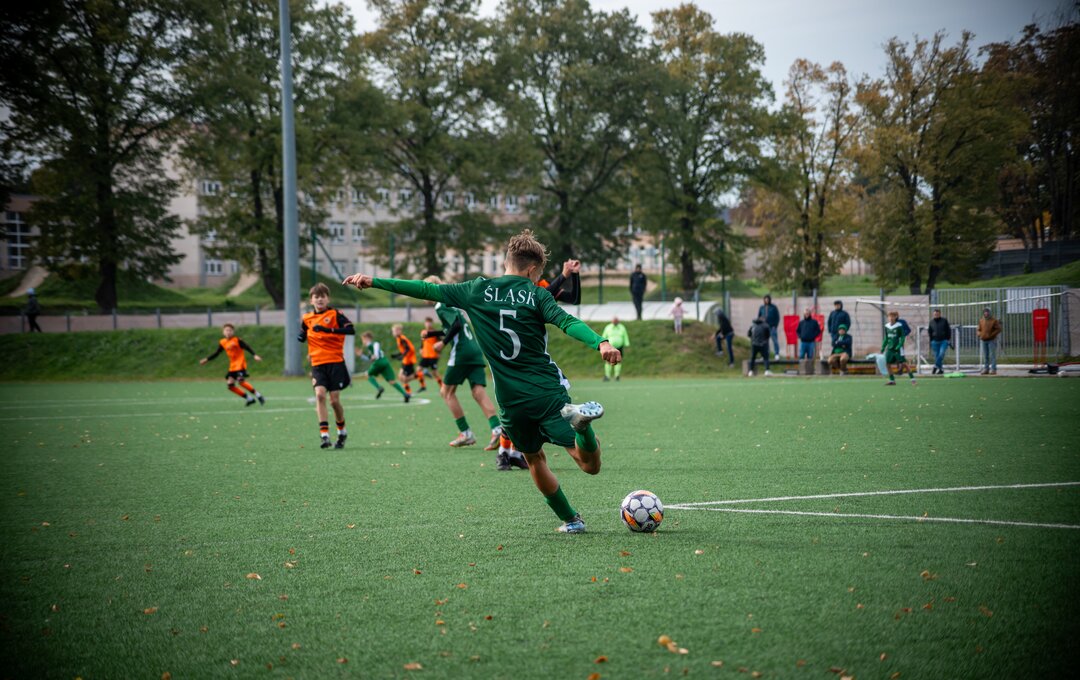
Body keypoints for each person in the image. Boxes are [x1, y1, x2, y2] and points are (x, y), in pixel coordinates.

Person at [343, 229, 622, 534]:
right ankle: (582, 427)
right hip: (545, 392)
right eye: (539, 274)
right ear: (531, 269)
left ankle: (571, 520)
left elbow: (425, 289)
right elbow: (567, 321)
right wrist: (601, 343)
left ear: (506, 262)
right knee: (589, 464)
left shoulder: (476, 290)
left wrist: (373, 280)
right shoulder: (537, 294)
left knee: (533, 458)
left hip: (511, 401)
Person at [425, 276, 508, 456]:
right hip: (474, 349)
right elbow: (454, 326)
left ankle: (466, 433)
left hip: (461, 351)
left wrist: (442, 343)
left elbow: (455, 325)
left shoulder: (440, 304)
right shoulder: (452, 303)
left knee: (446, 392)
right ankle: (497, 430)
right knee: (478, 391)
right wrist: (432, 334)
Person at [298, 283, 356, 449]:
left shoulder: (335, 314)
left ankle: (342, 431)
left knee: (334, 401)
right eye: (316, 297)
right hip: (317, 364)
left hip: (335, 362)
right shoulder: (307, 318)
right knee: (320, 395)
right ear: (311, 300)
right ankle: (324, 435)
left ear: (328, 299)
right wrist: (301, 336)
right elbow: (304, 331)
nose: (320, 299)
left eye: (323, 296)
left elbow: (351, 330)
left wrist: (328, 330)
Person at [199, 323, 265, 406]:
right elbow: (217, 353)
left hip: (240, 364)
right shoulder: (222, 342)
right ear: (223, 332)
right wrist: (206, 359)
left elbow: (247, 347)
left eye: (230, 330)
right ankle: (249, 399)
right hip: (233, 366)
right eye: (226, 330)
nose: (228, 332)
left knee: (241, 382)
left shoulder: (237, 340)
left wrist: (254, 355)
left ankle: (258, 395)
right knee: (230, 385)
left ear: (233, 332)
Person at [358, 331, 410, 402]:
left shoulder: (373, 344)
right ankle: (405, 394)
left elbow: (375, 356)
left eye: (363, 339)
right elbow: (370, 358)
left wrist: (372, 356)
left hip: (379, 363)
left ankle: (379, 388)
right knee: (392, 381)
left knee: (368, 375)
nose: (363, 341)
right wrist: (362, 356)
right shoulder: (370, 348)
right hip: (385, 362)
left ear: (367, 338)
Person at [882, 310, 916, 386]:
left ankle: (913, 379)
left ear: (896, 317)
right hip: (890, 348)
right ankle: (892, 380)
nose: (891, 318)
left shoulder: (899, 326)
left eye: (893, 316)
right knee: (887, 363)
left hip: (898, 348)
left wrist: (899, 345)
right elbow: (886, 338)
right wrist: (883, 346)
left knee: (904, 363)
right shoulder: (886, 326)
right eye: (889, 316)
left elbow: (903, 337)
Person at [391, 323, 426, 395]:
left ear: (399, 331)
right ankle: (408, 392)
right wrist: (397, 355)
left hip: (409, 360)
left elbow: (408, 348)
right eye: (393, 331)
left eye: (394, 331)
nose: (393, 333)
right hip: (405, 360)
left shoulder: (402, 338)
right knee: (400, 377)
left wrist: (402, 356)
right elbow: (404, 350)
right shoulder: (399, 338)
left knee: (405, 378)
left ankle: (421, 374)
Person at [418, 317, 444, 389]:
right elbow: (422, 341)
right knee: (418, 370)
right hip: (425, 355)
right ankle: (423, 386)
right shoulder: (423, 332)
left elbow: (441, 342)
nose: (428, 324)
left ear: (432, 323)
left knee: (434, 372)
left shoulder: (435, 333)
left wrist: (439, 352)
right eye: (427, 322)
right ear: (424, 323)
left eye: (429, 323)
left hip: (433, 355)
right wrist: (421, 348)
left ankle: (442, 386)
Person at [601, 316, 630, 381]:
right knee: (608, 360)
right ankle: (607, 376)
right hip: (610, 347)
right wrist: (602, 344)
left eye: (616, 321)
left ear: (618, 321)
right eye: (614, 321)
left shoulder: (622, 327)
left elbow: (625, 336)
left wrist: (627, 345)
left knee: (618, 360)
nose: (615, 322)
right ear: (612, 321)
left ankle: (617, 376)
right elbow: (604, 336)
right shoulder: (608, 327)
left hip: (619, 347)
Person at [978, 307, 1002, 375]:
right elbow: (978, 329)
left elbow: (998, 329)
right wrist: (980, 334)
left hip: (991, 340)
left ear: (989, 312)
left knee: (992, 355)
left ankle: (993, 369)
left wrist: (992, 335)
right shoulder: (981, 320)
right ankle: (986, 369)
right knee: (986, 355)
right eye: (985, 312)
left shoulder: (994, 320)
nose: (986, 313)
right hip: (984, 340)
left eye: (987, 312)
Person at [927, 308, 952, 375]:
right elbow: (929, 331)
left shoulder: (944, 320)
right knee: (937, 356)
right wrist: (931, 340)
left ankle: (935, 366)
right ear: (933, 314)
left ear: (940, 314)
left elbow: (948, 330)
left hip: (943, 341)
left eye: (937, 314)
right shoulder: (931, 322)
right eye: (935, 314)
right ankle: (941, 369)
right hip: (934, 342)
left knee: (941, 354)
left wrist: (948, 339)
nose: (936, 315)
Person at [757, 294, 781, 359]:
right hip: (764, 327)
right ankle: (764, 355)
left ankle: (777, 354)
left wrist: (775, 326)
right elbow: (758, 317)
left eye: (767, 299)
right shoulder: (762, 307)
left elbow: (777, 317)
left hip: (772, 327)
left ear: (769, 300)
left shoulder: (774, 307)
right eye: (765, 299)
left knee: (775, 341)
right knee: (764, 342)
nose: (766, 301)